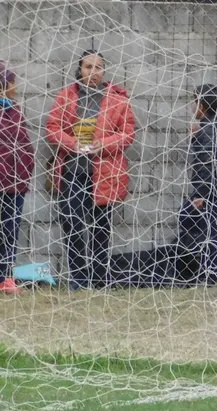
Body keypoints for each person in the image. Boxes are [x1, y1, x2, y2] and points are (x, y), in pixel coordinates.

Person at [46, 49, 135, 290]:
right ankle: (77, 277)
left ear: (104, 71)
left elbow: (128, 134)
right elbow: (52, 128)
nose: (92, 72)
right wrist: (72, 143)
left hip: (104, 173)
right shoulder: (67, 96)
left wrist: (103, 145)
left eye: (98, 67)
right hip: (72, 171)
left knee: (101, 228)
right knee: (71, 222)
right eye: (88, 67)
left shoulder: (118, 99)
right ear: (80, 69)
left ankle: (98, 277)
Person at [173, 83, 217, 286]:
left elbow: (207, 164)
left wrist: (202, 194)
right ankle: (203, 270)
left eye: (194, 101)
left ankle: (209, 273)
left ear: (203, 105)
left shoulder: (209, 129)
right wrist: (195, 138)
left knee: (207, 228)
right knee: (206, 226)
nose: (192, 106)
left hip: (209, 189)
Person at [0, 61, 34, 296]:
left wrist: (25, 172)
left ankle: (6, 278)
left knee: (10, 232)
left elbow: (24, 146)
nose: (15, 87)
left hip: (15, 185)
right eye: (12, 83)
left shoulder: (15, 110)